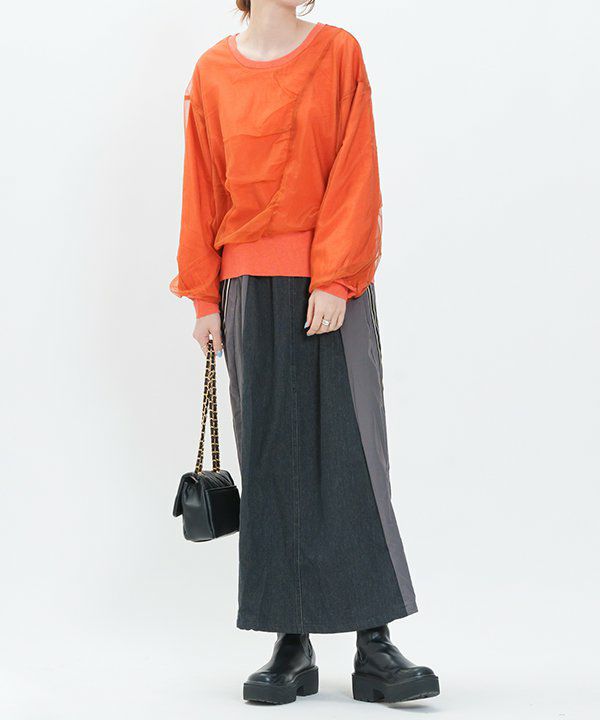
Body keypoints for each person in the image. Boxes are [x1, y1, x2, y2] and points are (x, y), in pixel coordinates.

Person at [170, 0, 439, 705]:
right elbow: (202, 184)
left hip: (329, 285)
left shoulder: (338, 53)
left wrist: (336, 278)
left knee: (352, 453)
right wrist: (203, 298)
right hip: (246, 288)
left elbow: (355, 169)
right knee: (270, 460)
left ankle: (374, 643)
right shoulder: (212, 71)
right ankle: (290, 642)